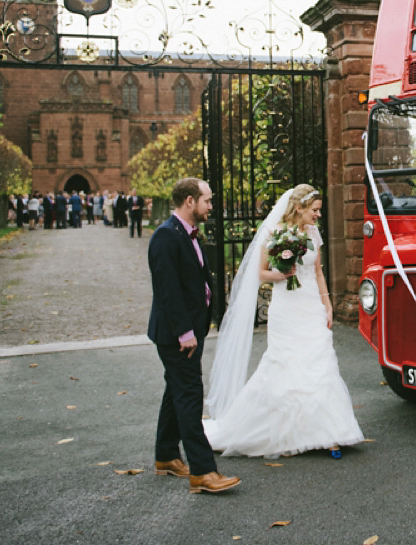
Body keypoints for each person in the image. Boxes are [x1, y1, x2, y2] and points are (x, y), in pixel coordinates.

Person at [204, 183, 363, 460]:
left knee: (320, 363)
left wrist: (327, 304)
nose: (318, 216)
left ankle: (330, 433)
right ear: (298, 208)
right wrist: (281, 274)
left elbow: (318, 271)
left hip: (311, 305)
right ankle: (284, 431)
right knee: (285, 367)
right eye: (314, 210)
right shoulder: (275, 232)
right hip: (286, 310)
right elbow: (261, 273)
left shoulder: (314, 233)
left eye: (319, 211)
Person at [147, 177, 240, 495]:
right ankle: (203, 472)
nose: (211, 207)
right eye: (207, 201)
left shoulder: (186, 234)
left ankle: (166, 456)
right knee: (189, 395)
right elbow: (167, 290)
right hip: (177, 336)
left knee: (176, 391)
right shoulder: (165, 237)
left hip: (190, 331)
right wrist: (185, 332)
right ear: (189, 200)